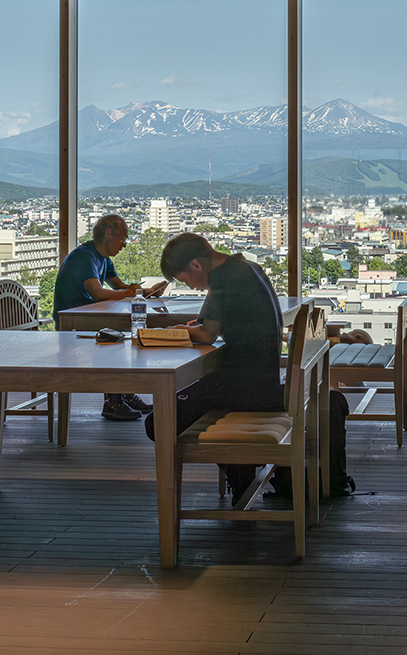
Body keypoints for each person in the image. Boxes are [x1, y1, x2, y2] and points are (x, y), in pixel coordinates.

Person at [146, 232, 284, 500]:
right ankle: (241, 472)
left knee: (157, 421)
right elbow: (211, 324)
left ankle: (241, 473)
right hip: (263, 378)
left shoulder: (224, 280)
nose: (192, 288)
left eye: (186, 280)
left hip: (245, 388)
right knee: (181, 405)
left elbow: (207, 334)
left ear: (196, 265)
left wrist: (175, 332)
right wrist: (193, 329)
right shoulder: (247, 266)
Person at [53, 214, 166, 420]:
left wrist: (148, 291)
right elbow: (99, 294)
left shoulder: (103, 259)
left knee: (126, 334)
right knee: (118, 339)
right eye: (123, 239)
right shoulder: (83, 256)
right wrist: (133, 293)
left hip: (90, 318)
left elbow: (120, 287)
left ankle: (125, 394)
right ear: (108, 234)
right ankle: (114, 400)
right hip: (73, 322)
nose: (124, 246)